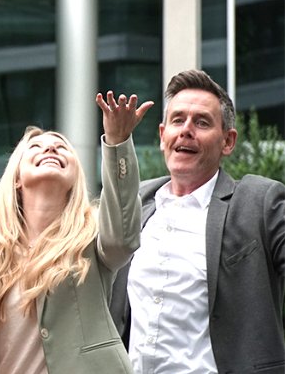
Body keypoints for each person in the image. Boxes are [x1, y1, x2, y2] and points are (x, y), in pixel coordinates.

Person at [0, 92, 153, 373]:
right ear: (17, 179)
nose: (50, 150)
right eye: (36, 147)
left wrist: (117, 142)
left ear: (75, 178)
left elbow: (124, 238)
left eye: (61, 147)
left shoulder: (93, 236)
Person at [109, 70, 285, 373]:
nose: (186, 130)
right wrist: (115, 142)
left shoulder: (258, 201)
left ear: (227, 142)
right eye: (178, 120)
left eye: (202, 122)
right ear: (163, 135)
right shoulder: (133, 204)